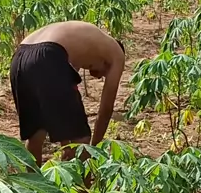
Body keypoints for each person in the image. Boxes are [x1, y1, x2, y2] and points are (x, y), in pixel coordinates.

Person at [9, 21, 125, 167]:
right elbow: (106, 109)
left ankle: (32, 181)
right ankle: (82, 182)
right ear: (106, 63)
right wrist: (94, 148)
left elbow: (61, 104)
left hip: (20, 57)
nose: (97, 76)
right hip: (48, 55)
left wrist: (66, 143)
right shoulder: (117, 54)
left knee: (36, 134)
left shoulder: (82, 45)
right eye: (102, 74)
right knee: (82, 139)